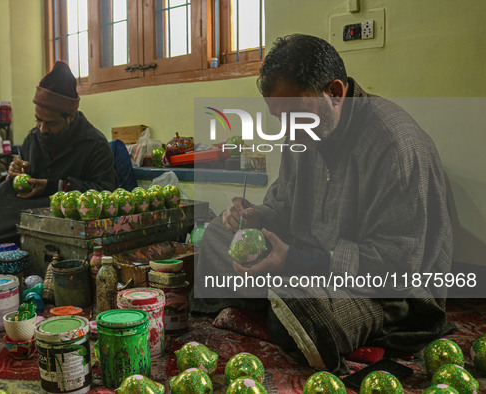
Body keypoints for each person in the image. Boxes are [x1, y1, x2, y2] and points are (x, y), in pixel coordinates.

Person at [191, 34, 455, 373]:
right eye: (279, 118)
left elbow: (398, 265)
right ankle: (277, 305)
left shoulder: (395, 145)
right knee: (215, 234)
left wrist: (297, 261)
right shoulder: (298, 135)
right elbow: (283, 207)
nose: (287, 130)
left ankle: (276, 305)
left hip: (383, 292)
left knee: (304, 306)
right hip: (305, 259)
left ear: (334, 93)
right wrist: (255, 217)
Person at [0, 61, 117, 255]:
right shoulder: (33, 138)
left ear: (71, 116)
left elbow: (106, 194)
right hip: (28, 211)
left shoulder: (95, 144)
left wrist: (55, 187)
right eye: (38, 120)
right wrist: (15, 175)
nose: (42, 129)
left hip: (67, 216)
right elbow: (22, 180)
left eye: (50, 123)